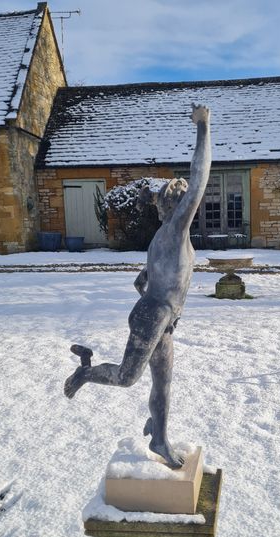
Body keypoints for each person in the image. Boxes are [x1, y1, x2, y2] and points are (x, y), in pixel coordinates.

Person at [64, 104, 211, 468]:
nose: (193, 202)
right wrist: (203, 127)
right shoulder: (175, 232)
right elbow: (201, 174)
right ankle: (85, 370)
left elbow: (142, 279)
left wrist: (160, 301)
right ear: (178, 206)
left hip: (160, 318)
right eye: (186, 200)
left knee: (163, 383)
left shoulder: (167, 238)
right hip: (152, 316)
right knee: (129, 378)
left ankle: (160, 438)